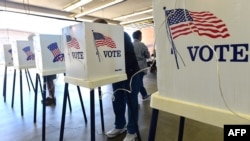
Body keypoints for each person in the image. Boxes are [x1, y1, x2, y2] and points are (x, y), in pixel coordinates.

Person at [93, 18, 141, 141]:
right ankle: (120, 126)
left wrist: (116, 67)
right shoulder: (98, 39)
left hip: (130, 74)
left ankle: (132, 131)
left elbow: (130, 56)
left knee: (131, 102)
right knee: (117, 101)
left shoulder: (121, 35)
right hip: (116, 75)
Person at [132, 30, 151, 101]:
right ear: (139, 36)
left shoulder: (130, 44)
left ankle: (144, 95)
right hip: (140, 67)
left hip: (132, 67)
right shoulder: (141, 44)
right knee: (138, 83)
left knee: (137, 82)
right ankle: (135, 99)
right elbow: (147, 55)